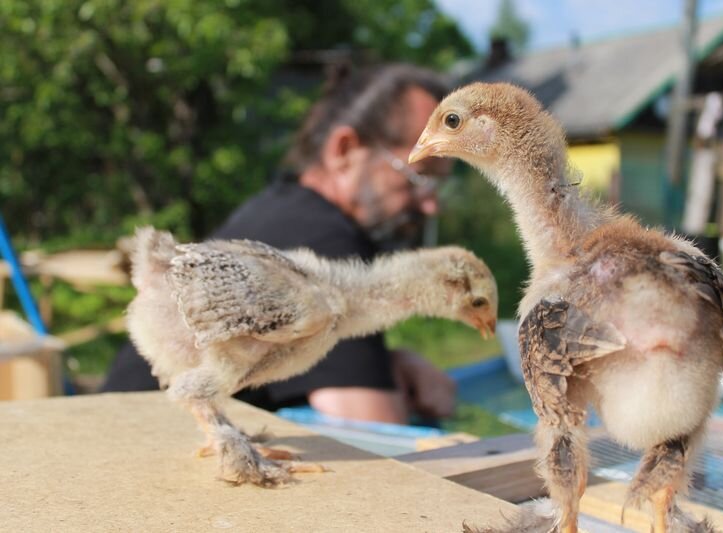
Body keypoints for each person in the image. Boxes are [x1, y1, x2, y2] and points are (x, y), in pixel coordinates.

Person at [102, 63, 457, 424]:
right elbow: (378, 430)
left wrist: (392, 362)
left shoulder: (284, 210)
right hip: (141, 449)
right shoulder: (325, 240)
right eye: (419, 176)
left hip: (122, 429)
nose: (431, 204)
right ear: (345, 150)